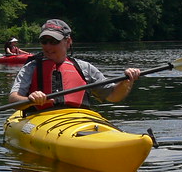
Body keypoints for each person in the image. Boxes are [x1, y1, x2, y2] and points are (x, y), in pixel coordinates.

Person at [9, 19, 140, 110]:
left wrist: (126, 81)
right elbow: (13, 99)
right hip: (41, 120)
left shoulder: (84, 68)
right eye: (44, 41)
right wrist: (30, 99)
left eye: (54, 41)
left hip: (77, 119)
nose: (48, 46)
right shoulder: (31, 67)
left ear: (68, 41)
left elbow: (113, 96)